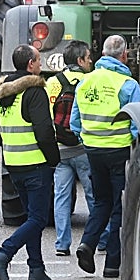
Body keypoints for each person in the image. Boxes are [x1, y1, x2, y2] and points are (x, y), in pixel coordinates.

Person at [0, 45, 60, 280]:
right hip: (36, 163)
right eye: (38, 61)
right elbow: (44, 131)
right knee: (38, 219)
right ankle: (2, 255)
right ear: (30, 64)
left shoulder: (2, 93)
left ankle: (36, 271)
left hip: (14, 163)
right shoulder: (34, 90)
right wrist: (53, 158)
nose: (40, 65)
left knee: (31, 218)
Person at [70, 34, 140, 278]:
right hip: (120, 151)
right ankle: (113, 263)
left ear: (101, 54)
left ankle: (87, 244)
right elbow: (137, 123)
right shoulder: (128, 84)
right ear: (124, 55)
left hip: (93, 151)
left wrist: (88, 140)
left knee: (101, 201)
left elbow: (75, 122)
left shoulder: (85, 82)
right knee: (119, 207)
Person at [46, 40, 95, 257]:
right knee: (94, 197)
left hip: (60, 150)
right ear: (80, 60)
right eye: (88, 57)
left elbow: (47, 117)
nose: (91, 61)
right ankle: (98, 241)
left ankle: (62, 244)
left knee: (61, 197)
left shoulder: (53, 83)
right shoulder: (90, 81)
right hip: (83, 148)